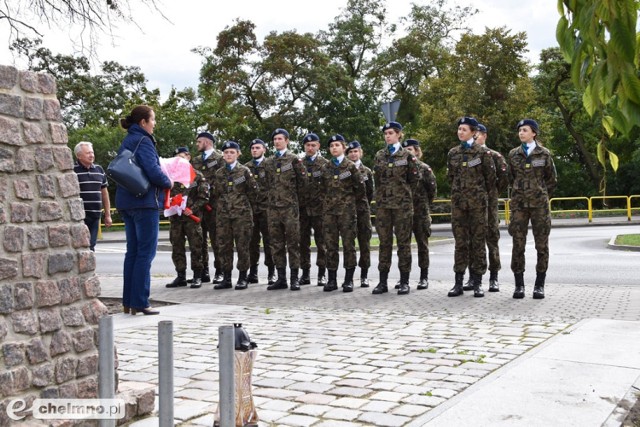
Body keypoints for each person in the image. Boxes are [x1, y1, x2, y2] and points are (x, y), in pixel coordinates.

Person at [116, 105, 172, 315]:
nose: (154, 123)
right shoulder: (144, 140)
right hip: (144, 202)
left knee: (132, 252)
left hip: (126, 201)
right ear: (143, 122)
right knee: (145, 254)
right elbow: (153, 171)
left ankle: (128, 301)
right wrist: (169, 181)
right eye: (153, 120)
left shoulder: (128, 139)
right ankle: (140, 301)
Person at [447, 116, 496, 298]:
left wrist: (480, 195)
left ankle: (477, 282)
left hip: (477, 205)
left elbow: (490, 179)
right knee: (460, 243)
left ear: (474, 133)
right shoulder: (453, 153)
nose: (460, 132)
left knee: (477, 243)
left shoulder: (483, 153)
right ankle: (458, 282)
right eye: (459, 129)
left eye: (464, 129)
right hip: (459, 205)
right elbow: (451, 177)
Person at [507, 119, 557, 299]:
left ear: (533, 133)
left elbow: (551, 180)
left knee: (541, 246)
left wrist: (540, 194)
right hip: (519, 206)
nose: (521, 133)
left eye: (525, 130)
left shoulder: (544, 154)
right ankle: (519, 285)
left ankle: (539, 285)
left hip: (539, 207)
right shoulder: (513, 154)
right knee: (517, 245)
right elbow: (510, 178)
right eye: (519, 130)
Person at [372, 121, 420, 295]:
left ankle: (404, 281)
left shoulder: (407, 156)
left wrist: (403, 195)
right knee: (384, 243)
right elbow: (377, 180)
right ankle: (382, 282)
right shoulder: (380, 155)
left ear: (399, 134)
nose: (387, 136)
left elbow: (414, 181)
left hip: (402, 207)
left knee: (403, 244)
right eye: (385, 133)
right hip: (384, 206)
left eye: (391, 133)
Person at [462, 123, 509, 292]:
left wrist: (492, 193)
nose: (476, 138)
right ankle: (473, 276)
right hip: (472, 205)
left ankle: (494, 277)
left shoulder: (494, 156)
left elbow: (503, 178)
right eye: (474, 135)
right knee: (472, 242)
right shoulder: (466, 155)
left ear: (485, 136)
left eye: (479, 135)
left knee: (491, 240)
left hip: (489, 206)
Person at [263, 128, 307, 291]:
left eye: (280, 138)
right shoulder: (268, 162)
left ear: (287, 141)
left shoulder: (294, 160)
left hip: (290, 208)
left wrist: (295, 202)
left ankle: (294, 278)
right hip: (273, 209)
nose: (277, 141)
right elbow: (266, 184)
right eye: (275, 139)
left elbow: (303, 183)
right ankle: (281, 278)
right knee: (276, 243)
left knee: (293, 243)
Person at [320, 134, 365, 292]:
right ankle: (331, 279)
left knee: (348, 245)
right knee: (330, 246)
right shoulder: (325, 167)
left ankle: (348, 280)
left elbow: (360, 189)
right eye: (331, 146)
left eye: (337, 145)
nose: (334, 148)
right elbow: (321, 189)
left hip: (346, 212)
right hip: (329, 213)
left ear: (343, 148)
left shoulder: (351, 167)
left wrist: (349, 204)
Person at [211, 141, 258, 290]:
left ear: (238, 154)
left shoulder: (244, 171)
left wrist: (245, 207)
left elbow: (253, 192)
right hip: (223, 216)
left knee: (243, 246)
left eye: (232, 152)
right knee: (224, 246)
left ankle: (243, 277)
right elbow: (216, 194)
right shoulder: (219, 173)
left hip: (241, 215)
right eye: (226, 152)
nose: (229, 155)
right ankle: (226, 278)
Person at [165, 147, 209, 289]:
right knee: (177, 247)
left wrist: (192, 210)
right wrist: (170, 203)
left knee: (196, 246)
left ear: (189, 157)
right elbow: (165, 195)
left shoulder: (196, 175)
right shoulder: (170, 177)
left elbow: (204, 197)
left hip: (192, 218)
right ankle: (181, 276)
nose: (179, 160)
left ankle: (197, 276)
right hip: (176, 219)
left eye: (182, 156)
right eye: (176, 157)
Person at [402, 139, 437, 290]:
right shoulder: (401, 169)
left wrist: (425, 206)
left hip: (420, 212)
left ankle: (424, 277)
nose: (407, 152)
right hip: (403, 212)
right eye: (405, 150)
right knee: (404, 246)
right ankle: (404, 278)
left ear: (416, 151)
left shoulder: (424, 168)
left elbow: (432, 190)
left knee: (422, 245)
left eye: (410, 149)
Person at [191, 131, 225, 284]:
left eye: (199, 142)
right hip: (199, 206)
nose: (197, 145)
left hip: (214, 205)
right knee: (200, 240)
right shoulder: (196, 161)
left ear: (207, 142)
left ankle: (220, 270)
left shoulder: (220, 158)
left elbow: (224, 180)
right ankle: (203, 271)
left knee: (217, 239)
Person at [245, 139, 276, 285]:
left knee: (269, 241)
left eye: (257, 148)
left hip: (267, 209)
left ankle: (271, 272)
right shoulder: (246, 168)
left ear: (264, 149)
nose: (254, 150)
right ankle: (253, 272)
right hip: (251, 210)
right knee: (252, 242)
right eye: (252, 148)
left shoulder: (270, 165)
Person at [299, 133, 329, 287]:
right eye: (307, 145)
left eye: (313, 145)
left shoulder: (325, 164)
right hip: (302, 209)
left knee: (321, 242)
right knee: (302, 242)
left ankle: (322, 274)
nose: (310, 148)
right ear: (304, 147)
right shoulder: (298, 163)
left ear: (318, 146)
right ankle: (305, 273)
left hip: (320, 209)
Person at [73, 141, 112, 251]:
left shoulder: (99, 170)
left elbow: (104, 193)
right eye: (88, 153)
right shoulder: (72, 171)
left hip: (95, 215)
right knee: (80, 247)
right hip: (79, 216)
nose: (91, 155)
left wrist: (107, 215)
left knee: (91, 245)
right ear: (79, 156)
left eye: (92, 152)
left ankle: (89, 268)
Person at [346, 141, 374, 287]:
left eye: (355, 151)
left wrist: (363, 205)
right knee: (349, 244)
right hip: (347, 211)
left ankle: (364, 275)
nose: (353, 154)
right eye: (350, 152)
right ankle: (349, 277)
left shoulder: (367, 171)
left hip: (362, 211)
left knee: (365, 244)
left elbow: (370, 192)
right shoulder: (344, 171)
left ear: (360, 152)